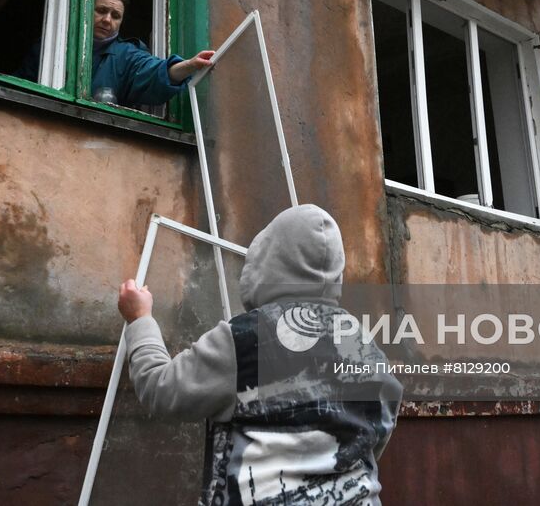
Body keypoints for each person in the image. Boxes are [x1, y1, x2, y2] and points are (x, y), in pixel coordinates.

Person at [116, 204, 402, 504]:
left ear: (267, 260)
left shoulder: (243, 339)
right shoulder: (364, 346)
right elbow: (378, 430)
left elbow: (162, 390)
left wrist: (139, 319)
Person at [15, 0, 214, 108]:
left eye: (115, 15)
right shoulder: (53, 45)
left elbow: (154, 72)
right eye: (101, 11)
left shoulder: (126, 54)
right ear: (85, 9)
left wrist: (188, 65)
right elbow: (22, 86)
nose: (107, 19)